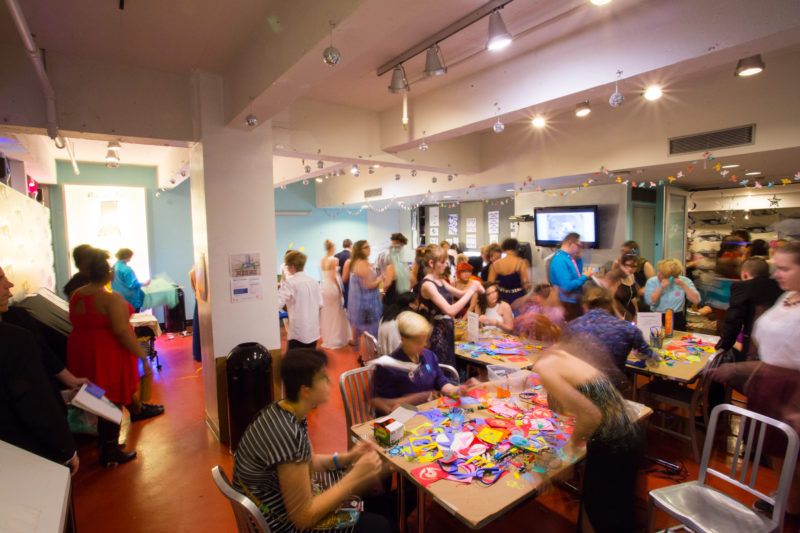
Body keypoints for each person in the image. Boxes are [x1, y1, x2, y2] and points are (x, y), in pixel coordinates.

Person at [233, 348, 391, 533]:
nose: (330, 381)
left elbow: (309, 461)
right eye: (323, 378)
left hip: (279, 510)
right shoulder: (287, 434)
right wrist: (354, 478)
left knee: (372, 498)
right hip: (281, 525)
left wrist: (349, 457)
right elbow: (303, 517)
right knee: (381, 525)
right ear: (306, 391)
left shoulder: (285, 411)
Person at [716, 241, 800, 515]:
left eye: (784, 268)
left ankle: (793, 502)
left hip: (793, 389)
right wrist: (743, 370)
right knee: (775, 447)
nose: (776, 274)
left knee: (793, 450)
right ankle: (790, 497)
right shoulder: (784, 297)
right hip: (770, 381)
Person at [534, 343, 643, 533]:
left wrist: (568, 450)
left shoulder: (544, 368)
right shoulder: (561, 354)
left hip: (611, 440)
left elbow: (591, 415)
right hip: (629, 430)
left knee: (601, 513)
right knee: (616, 511)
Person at [67, 249, 149, 467]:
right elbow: (122, 331)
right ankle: (110, 449)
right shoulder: (108, 299)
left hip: (83, 351)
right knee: (112, 397)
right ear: (109, 274)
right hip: (106, 355)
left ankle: (105, 443)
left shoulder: (78, 294)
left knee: (96, 395)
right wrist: (142, 355)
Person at [0, 265, 80, 476]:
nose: (9, 285)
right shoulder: (14, 339)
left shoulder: (18, 319)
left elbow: (45, 354)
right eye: (1, 279)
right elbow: (35, 403)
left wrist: (68, 378)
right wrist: (65, 449)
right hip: (24, 449)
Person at [372, 311, 479, 415]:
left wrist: (458, 390)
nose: (425, 345)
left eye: (425, 340)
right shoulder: (388, 367)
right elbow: (380, 403)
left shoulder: (429, 356)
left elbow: (441, 382)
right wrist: (417, 398)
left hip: (427, 414)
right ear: (403, 340)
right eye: (418, 342)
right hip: (402, 420)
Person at [562, 286, 658, 391]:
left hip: (579, 389)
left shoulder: (572, 326)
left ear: (585, 306)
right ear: (609, 305)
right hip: (613, 390)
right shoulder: (627, 328)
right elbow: (651, 358)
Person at [418, 244, 483, 368]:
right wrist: (472, 290)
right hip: (435, 333)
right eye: (442, 262)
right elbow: (450, 310)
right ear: (432, 263)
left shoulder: (441, 281)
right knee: (441, 369)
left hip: (446, 330)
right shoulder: (428, 285)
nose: (446, 265)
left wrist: (474, 287)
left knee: (448, 366)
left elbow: (461, 294)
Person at [716, 257, 782, 361]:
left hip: (751, 343)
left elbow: (733, 320)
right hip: (777, 343)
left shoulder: (742, 287)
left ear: (744, 274)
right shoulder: (779, 287)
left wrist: (722, 346)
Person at [278, 251, 323, 350]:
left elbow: (277, 304)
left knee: (296, 362)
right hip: (313, 331)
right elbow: (320, 304)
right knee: (310, 359)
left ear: (292, 266)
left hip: (298, 333)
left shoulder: (290, 283)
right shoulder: (314, 282)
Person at [644, 258, 701, 331]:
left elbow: (696, 300)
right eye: (659, 271)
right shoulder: (652, 281)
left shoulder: (685, 281)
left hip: (676, 317)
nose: (658, 275)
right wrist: (660, 287)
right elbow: (650, 301)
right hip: (656, 316)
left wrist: (684, 285)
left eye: (662, 274)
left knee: (678, 341)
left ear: (672, 277)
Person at [343, 240, 383, 340]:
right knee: (368, 334)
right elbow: (368, 285)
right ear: (360, 250)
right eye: (366, 247)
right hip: (367, 305)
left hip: (364, 304)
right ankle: (367, 354)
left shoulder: (358, 262)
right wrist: (381, 278)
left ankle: (365, 353)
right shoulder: (362, 263)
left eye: (369, 246)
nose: (369, 249)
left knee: (365, 333)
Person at [549, 233, 594, 320]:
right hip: (567, 303)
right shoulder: (560, 260)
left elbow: (576, 276)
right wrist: (584, 276)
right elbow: (567, 286)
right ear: (570, 243)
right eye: (578, 245)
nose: (579, 249)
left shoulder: (569, 258)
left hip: (574, 302)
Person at [320, 240, 351, 349]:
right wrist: (340, 289)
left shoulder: (322, 260)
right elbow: (334, 277)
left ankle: (328, 338)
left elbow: (325, 275)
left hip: (325, 288)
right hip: (333, 288)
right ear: (332, 248)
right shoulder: (334, 260)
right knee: (337, 313)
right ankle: (337, 339)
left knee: (328, 313)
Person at [488, 238, 530, 306]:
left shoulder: (495, 265)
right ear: (517, 249)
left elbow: (489, 286)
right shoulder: (522, 263)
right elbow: (526, 285)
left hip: (501, 297)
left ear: (503, 249)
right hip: (518, 297)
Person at [620, 240, 655, 312]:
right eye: (622, 251)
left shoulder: (645, 264)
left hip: (642, 299)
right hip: (628, 299)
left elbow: (653, 283)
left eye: (626, 252)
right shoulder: (620, 263)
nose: (624, 254)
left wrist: (642, 290)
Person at [380, 233, 410, 312]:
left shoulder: (382, 252)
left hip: (388, 285)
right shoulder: (390, 254)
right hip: (392, 287)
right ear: (398, 243)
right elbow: (392, 271)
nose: (401, 249)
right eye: (401, 246)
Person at [615, 254, 640, 321]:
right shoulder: (616, 278)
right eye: (627, 265)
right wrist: (619, 316)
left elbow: (633, 298)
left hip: (629, 313)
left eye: (634, 266)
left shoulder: (631, 276)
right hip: (616, 315)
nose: (630, 269)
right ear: (622, 265)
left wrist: (636, 314)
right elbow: (611, 300)